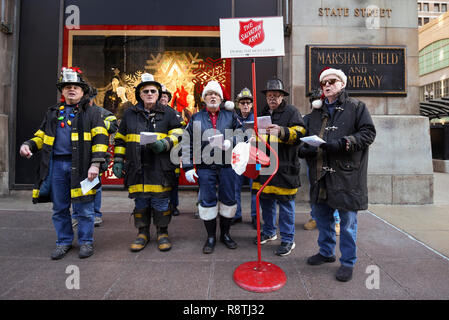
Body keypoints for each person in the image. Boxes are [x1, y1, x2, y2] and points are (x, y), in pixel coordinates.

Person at [19, 67, 109, 260]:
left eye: (76, 87)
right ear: (62, 91)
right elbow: (41, 135)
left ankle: (86, 242)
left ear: (83, 91)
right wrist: (28, 145)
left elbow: (101, 140)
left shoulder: (93, 113)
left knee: (84, 208)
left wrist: (96, 164)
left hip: (83, 167)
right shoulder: (52, 113)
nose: (72, 89)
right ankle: (64, 242)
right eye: (67, 87)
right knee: (59, 208)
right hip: (57, 166)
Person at [303, 67, 376, 282]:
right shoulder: (315, 112)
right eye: (323, 82)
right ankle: (326, 253)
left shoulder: (356, 107)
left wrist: (343, 143)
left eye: (332, 81)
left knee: (346, 223)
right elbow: (306, 136)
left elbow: (368, 133)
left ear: (342, 84)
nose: (326, 85)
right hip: (320, 174)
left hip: (346, 176)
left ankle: (348, 262)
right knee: (322, 217)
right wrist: (305, 148)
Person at [112, 73, 183, 252]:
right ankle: (142, 233)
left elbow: (180, 135)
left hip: (161, 167)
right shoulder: (129, 114)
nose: (150, 93)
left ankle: (162, 232)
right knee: (141, 203)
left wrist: (164, 144)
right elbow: (120, 139)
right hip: (137, 167)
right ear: (140, 95)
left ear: (159, 94)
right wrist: (118, 161)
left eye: (153, 91)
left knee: (160, 202)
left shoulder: (169, 113)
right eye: (146, 91)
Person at [182, 80, 241, 254]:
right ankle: (210, 237)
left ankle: (225, 234)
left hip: (227, 165)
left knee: (229, 200)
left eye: (216, 94)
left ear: (221, 99)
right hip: (205, 166)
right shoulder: (196, 117)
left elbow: (242, 133)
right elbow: (186, 142)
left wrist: (231, 141)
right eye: (209, 94)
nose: (212, 96)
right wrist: (187, 167)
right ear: (204, 98)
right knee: (207, 202)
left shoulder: (230, 116)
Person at [252, 78, 306, 256]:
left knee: (286, 206)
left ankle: (288, 240)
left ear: (283, 96)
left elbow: (301, 133)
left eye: (276, 95)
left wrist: (282, 131)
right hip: (265, 166)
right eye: (269, 96)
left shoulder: (292, 112)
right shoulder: (262, 113)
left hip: (285, 167)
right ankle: (269, 232)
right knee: (266, 202)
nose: (272, 99)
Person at [72, 87, 118, 228]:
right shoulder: (75, 112)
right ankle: (76, 216)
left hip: (97, 156)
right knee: (76, 186)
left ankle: (96, 214)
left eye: (89, 98)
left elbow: (113, 126)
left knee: (95, 186)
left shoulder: (102, 112)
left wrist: (94, 122)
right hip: (78, 156)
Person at [301, 90, 340, 236]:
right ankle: (315, 217)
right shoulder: (308, 118)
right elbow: (302, 137)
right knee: (314, 190)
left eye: (318, 99)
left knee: (331, 189)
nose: (316, 102)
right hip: (312, 159)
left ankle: (336, 220)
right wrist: (305, 148)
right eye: (314, 99)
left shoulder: (331, 116)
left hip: (328, 159)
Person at [232, 87, 258, 229]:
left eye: (248, 102)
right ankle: (237, 215)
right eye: (243, 103)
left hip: (254, 159)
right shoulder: (233, 119)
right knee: (236, 188)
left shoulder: (257, 120)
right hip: (238, 159)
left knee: (255, 188)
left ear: (252, 104)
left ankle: (255, 216)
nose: (246, 105)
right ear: (238, 104)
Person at [160, 85, 181, 216]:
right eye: (161, 96)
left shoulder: (175, 114)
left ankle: (173, 205)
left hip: (173, 153)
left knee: (173, 181)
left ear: (169, 99)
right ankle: (161, 206)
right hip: (158, 154)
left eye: (165, 96)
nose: (163, 98)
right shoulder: (153, 113)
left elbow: (182, 134)